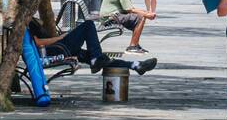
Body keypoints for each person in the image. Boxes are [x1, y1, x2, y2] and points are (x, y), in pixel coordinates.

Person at [27, 14, 156, 75]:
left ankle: (136, 65)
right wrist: (60, 37)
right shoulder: (27, 23)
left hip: (58, 47)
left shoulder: (32, 19)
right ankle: (95, 59)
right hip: (56, 50)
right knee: (88, 25)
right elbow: (37, 42)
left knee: (103, 59)